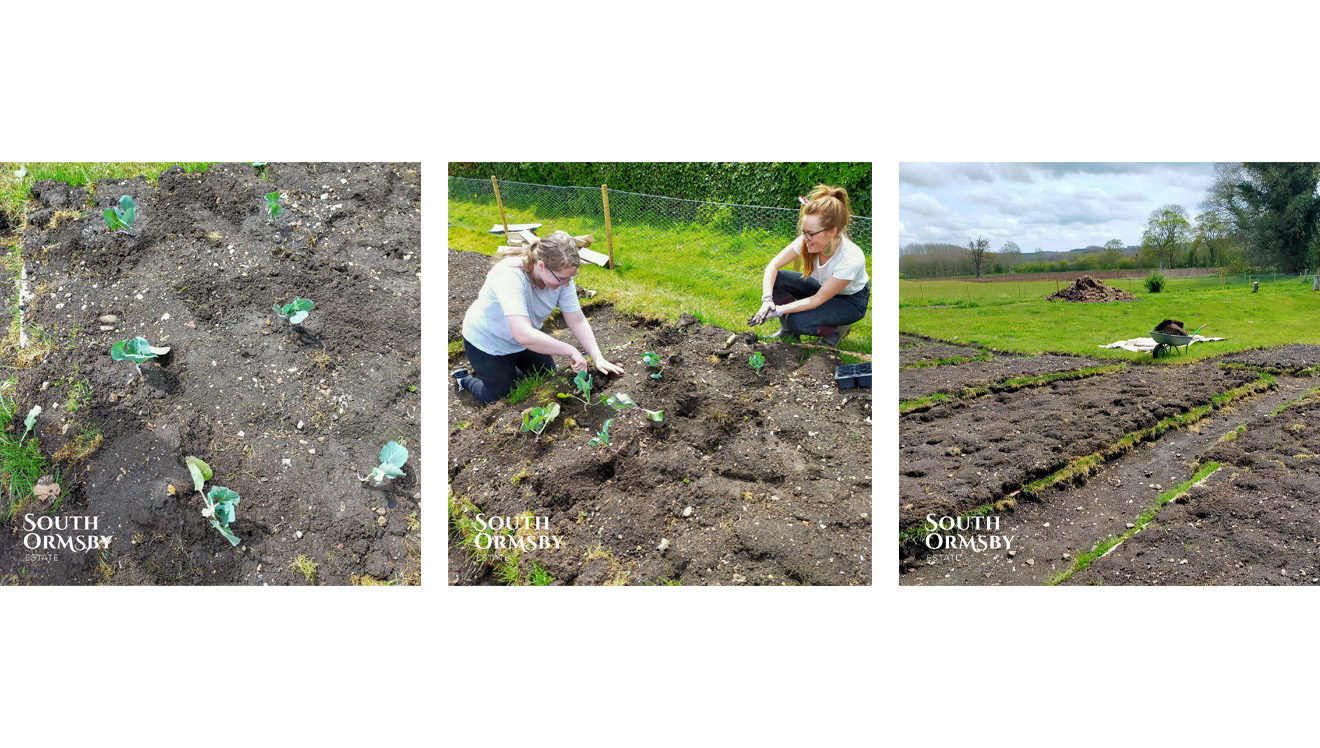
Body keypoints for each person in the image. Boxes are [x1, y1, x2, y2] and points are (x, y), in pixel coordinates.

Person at [453, 230, 624, 405]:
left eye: (570, 278)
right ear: (541, 265)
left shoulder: (562, 278)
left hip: (522, 340)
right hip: (488, 342)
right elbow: (523, 334)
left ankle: (501, 373)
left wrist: (598, 357)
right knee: (500, 397)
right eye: (562, 279)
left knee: (545, 372)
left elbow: (577, 320)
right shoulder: (509, 276)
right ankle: (464, 379)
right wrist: (571, 350)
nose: (566, 284)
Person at [748, 185, 871, 347]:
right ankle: (788, 333)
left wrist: (779, 310)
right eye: (803, 231)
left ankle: (837, 330)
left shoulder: (850, 258)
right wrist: (767, 300)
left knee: (797, 321)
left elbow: (817, 299)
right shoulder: (807, 241)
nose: (805, 238)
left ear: (832, 232)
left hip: (850, 302)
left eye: (811, 233)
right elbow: (773, 265)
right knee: (778, 278)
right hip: (823, 288)